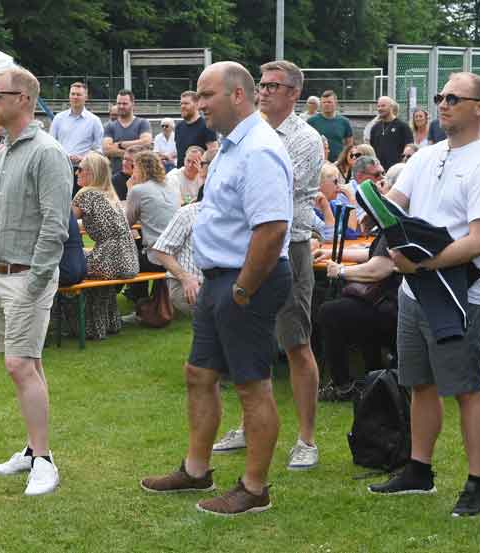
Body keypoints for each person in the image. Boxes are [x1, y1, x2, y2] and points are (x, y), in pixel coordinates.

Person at [140, 61, 293, 517]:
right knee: (199, 374)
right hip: (220, 279)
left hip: (247, 280)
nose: (199, 104)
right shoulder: (229, 146)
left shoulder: (260, 149)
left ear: (238, 96)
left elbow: (271, 229)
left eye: (207, 95)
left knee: (252, 386)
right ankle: (196, 470)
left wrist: (242, 290)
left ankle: (254, 488)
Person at [366, 72, 480, 518]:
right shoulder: (426, 157)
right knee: (419, 385)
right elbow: (395, 202)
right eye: (439, 97)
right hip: (413, 291)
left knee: (466, 389)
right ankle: (419, 471)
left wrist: (422, 263)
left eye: (453, 98)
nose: (442, 104)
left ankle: (477, 486)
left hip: (456, 292)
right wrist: (373, 205)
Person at [211, 60, 324, 469]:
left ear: (294, 93)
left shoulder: (305, 139)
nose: (264, 91)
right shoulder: (248, 131)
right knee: (248, 341)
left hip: (288, 248)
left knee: (295, 343)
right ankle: (247, 425)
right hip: (246, 247)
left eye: (274, 86)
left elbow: (272, 188)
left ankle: (307, 439)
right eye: (262, 84)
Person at [0, 67, 71, 497]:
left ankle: (44, 461)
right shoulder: (7, 149)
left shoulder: (47, 152)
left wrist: (35, 282)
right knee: (28, 364)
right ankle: (33, 450)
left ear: (24, 99)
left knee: (19, 365)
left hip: (26, 279)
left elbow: (56, 226)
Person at [314, 216, 400, 401]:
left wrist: (342, 271)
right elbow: (372, 254)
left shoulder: (394, 230)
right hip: (388, 305)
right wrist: (330, 254)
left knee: (330, 312)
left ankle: (343, 386)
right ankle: (374, 375)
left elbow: (379, 268)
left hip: (393, 310)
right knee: (348, 308)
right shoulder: (395, 227)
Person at [71, 152, 138, 339]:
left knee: (69, 269)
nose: (77, 173)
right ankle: (110, 323)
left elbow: (64, 224)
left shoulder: (85, 194)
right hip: (128, 258)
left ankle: (84, 327)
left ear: (91, 172)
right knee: (89, 261)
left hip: (110, 259)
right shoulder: (110, 194)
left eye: (80, 169)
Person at [151, 149, 213, 316]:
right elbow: (160, 249)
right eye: (189, 161)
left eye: (198, 163)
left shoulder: (234, 211)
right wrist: (185, 278)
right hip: (187, 282)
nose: (192, 166)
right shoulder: (188, 211)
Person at [125, 150, 179, 279]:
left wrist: (130, 188)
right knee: (138, 242)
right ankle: (148, 297)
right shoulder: (170, 186)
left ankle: (136, 294)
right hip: (177, 256)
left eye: (134, 167)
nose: (133, 172)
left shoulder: (138, 190)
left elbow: (125, 222)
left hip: (157, 259)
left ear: (140, 169)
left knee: (118, 257)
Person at [49, 82, 103, 174]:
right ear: (69, 96)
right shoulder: (58, 118)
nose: (75, 97)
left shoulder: (95, 121)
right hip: (61, 168)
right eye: (72, 94)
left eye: (79, 94)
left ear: (86, 97)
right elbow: (51, 143)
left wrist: (83, 158)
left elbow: (99, 149)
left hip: (85, 169)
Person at [102, 89, 152, 174]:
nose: (121, 106)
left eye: (125, 103)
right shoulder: (110, 126)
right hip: (116, 175)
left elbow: (146, 142)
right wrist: (134, 154)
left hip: (139, 175)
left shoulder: (142, 123)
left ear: (133, 104)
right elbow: (106, 149)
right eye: (119, 103)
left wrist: (120, 145)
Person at [174, 90, 218, 168]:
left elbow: (213, 151)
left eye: (186, 103)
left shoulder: (207, 125)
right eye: (181, 104)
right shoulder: (179, 127)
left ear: (197, 105)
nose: (182, 106)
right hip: (181, 174)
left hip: (198, 175)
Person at [307, 90, 353, 162]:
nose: (326, 104)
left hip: (338, 164)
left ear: (335, 103)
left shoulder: (344, 122)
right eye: (324, 102)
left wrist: (340, 160)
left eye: (329, 102)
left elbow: (349, 144)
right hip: (317, 164)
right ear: (321, 104)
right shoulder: (311, 121)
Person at [370, 96, 413, 170]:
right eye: (378, 106)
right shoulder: (375, 127)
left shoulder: (402, 126)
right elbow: (372, 149)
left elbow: (409, 148)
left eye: (383, 106)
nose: (380, 108)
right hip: (379, 170)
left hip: (397, 170)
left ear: (391, 107)